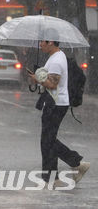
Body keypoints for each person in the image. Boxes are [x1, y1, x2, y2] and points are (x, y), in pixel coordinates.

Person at [29, 39, 90, 188]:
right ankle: (52, 178)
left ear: (51, 42)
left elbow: (53, 84)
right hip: (55, 102)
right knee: (48, 140)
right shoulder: (56, 57)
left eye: (42, 42)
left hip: (55, 104)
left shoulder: (56, 60)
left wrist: (38, 79)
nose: (40, 45)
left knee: (48, 141)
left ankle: (77, 163)